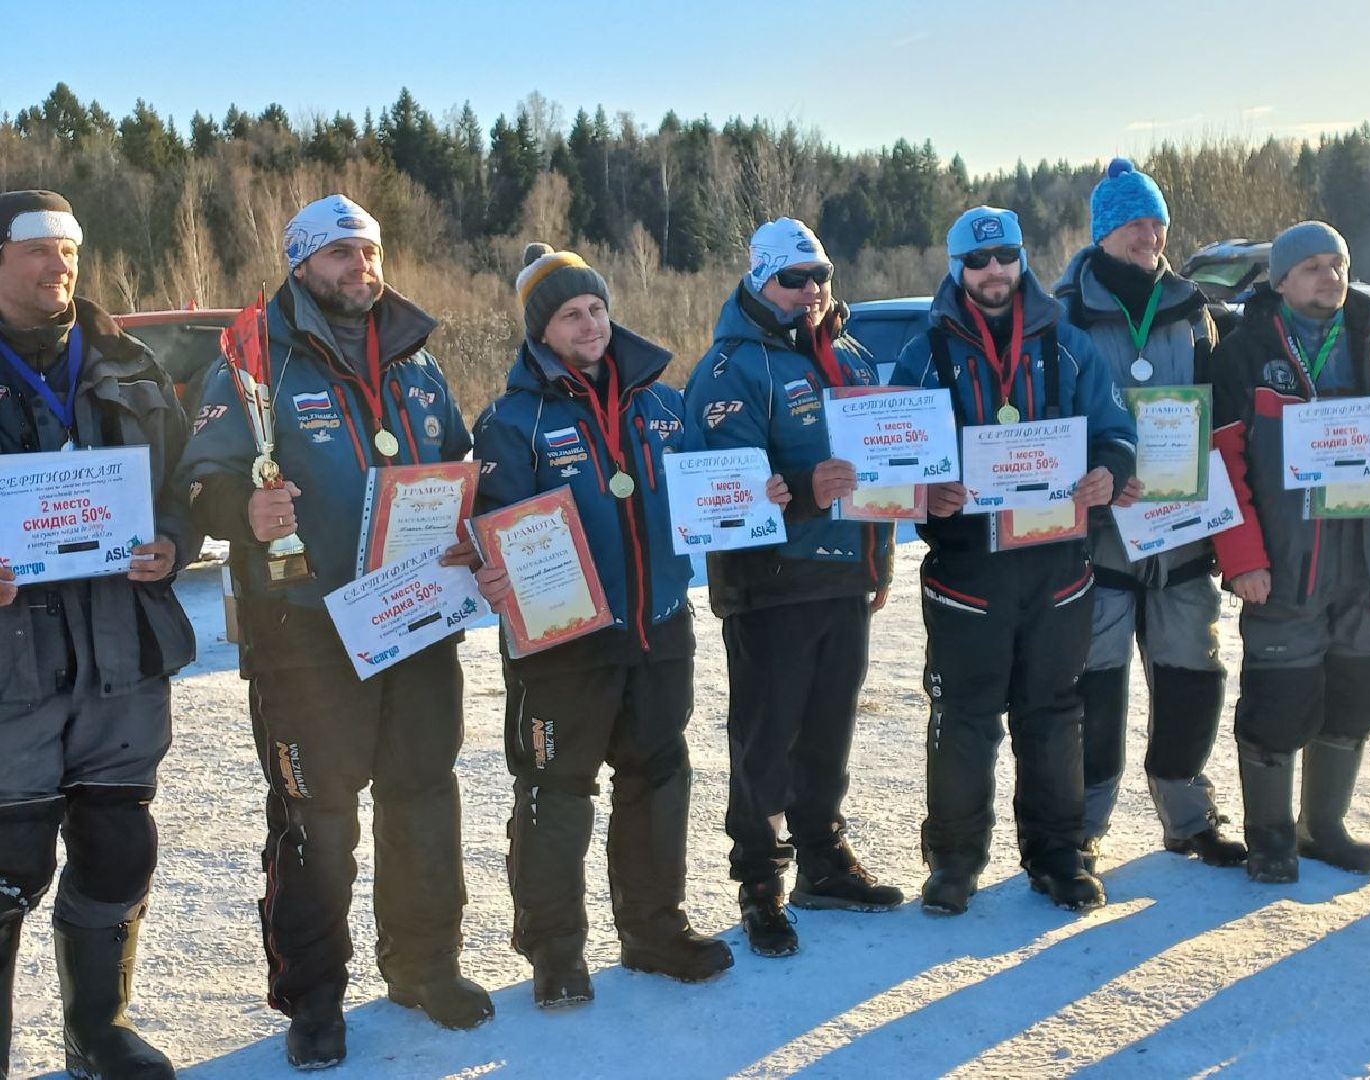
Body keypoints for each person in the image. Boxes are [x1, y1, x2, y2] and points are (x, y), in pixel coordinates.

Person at [180, 195, 489, 1069]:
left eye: (371, 251)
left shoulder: (418, 363)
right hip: (307, 629)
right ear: (303, 263)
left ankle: (425, 965)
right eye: (343, 254)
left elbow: (457, 470)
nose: (362, 267)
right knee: (317, 816)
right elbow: (199, 486)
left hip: (418, 618)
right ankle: (314, 996)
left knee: (423, 795)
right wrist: (243, 504)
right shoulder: (252, 365)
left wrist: (473, 528)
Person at [472, 243, 742, 1007]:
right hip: (563, 648)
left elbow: (708, 488)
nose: (588, 323)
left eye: (595, 308)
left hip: (659, 628)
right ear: (540, 330)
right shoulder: (512, 422)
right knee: (555, 795)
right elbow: (489, 523)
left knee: (657, 782)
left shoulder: (663, 403)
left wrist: (756, 498)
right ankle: (555, 951)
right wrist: (485, 559)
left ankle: (654, 930)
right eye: (569, 313)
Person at [891, 206, 1137, 915]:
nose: (992, 271)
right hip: (968, 570)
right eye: (977, 260)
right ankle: (954, 860)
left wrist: (1105, 471)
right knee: (964, 717)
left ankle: (1059, 854)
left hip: (1057, 563)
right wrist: (921, 492)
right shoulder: (925, 351)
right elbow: (892, 457)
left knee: (1054, 712)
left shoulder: (1065, 342)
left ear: (1021, 260)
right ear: (956, 269)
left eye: (1004, 257)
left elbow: (1113, 429)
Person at [0, 190, 193, 1079]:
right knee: (6, 871)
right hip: (12, 673)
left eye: (69, 249)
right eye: (37, 249)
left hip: (120, 654)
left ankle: (96, 1031)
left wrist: (172, 543)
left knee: (119, 847)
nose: (59, 266)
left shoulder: (129, 363)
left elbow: (186, 487)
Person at [684, 218, 900, 960]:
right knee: (765, 740)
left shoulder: (850, 353)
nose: (810, 292)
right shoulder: (730, 368)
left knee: (828, 733)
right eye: (792, 278)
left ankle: (822, 860)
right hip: (771, 583)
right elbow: (720, 489)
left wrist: (881, 556)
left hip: (844, 575)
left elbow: (884, 471)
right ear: (759, 281)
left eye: (820, 277)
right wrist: (805, 490)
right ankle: (758, 881)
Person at [1210, 221, 1370, 883]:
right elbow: (1223, 463)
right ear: (1280, 280)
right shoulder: (1245, 353)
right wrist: (1242, 556)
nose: (1328, 278)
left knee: (1361, 692)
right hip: (1286, 560)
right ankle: (1271, 836)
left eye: (1336, 265)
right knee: (1280, 701)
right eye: (1310, 267)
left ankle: (1323, 827)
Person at [1054, 159, 1246, 871]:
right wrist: (1093, 473)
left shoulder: (1193, 309)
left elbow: (1221, 414)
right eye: (1136, 223)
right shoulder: (1064, 311)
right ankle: (1082, 824)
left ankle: (1188, 816)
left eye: (1158, 223)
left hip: (1182, 527)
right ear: (1105, 231)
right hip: (1099, 535)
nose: (1150, 236)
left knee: (1192, 671)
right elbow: (1048, 424)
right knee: (1096, 680)